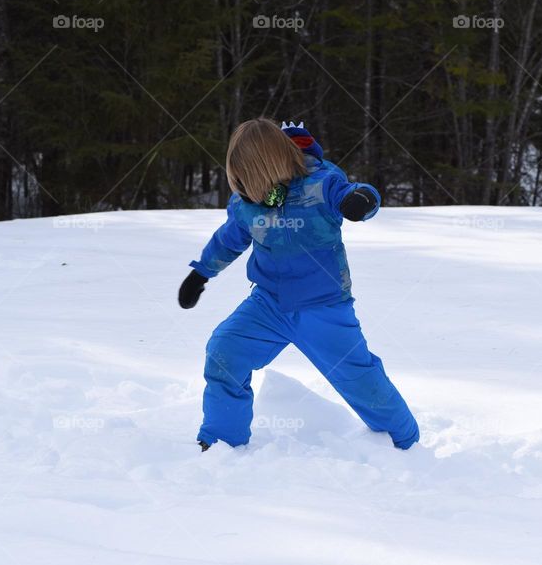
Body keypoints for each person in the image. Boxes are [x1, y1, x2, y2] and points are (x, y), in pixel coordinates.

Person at [178, 117, 419, 451]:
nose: (243, 187)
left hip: (324, 308)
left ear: (267, 166)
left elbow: (356, 192)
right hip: (267, 305)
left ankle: (405, 443)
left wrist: (361, 201)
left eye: (247, 177)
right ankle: (219, 443)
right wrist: (200, 273)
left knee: (360, 380)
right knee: (224, 352)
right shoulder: (247, 203)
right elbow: (228, 240)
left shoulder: (320, 184)